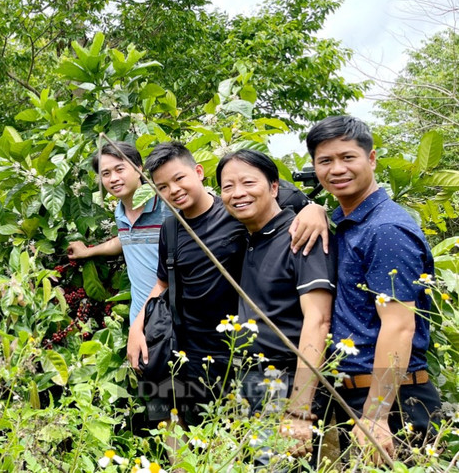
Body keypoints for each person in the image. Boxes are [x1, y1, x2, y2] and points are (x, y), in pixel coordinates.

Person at [130, 142, 328, 426]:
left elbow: (285, 206)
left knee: (250, 438)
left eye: (179, 178)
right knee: (198, 433)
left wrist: (316, 209)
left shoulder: (237, 210)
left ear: (199, 172)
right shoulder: (171, 229)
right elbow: (162, 283)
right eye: (162, 187)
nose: (173, 190)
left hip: (244, 354)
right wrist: (136, 327)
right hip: (194, 354)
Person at [307, 115, 441, 460]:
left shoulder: (385, 230)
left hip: (393, 404)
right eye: (325, 160)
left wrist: (376, 416)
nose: (337, 169)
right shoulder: (348, 222)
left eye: (347, 157)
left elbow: (399, 325)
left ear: (371, 159)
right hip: (360, 397)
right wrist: (314, 208)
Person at [217, 149, 334, 459]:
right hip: (250, 378)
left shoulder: (301, 235)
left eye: (248, 183)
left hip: (286, 381)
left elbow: (319, 320)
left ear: (273, 187)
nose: (237, 193)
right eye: (228, 186)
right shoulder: (249, 235)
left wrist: (299, 409)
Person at [67, 142, 171, 326]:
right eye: (106, 174)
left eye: (119, 169)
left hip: (176, 314)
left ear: (139, 168)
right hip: (141, 316)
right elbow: (126, 240)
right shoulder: (120, 212)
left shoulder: (168, 207)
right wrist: (87, 251)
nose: (113, 178)